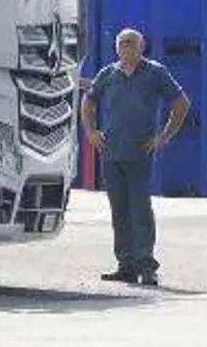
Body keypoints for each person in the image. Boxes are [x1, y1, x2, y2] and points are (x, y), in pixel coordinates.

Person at [81, 28, 191, 287]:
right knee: (119, 210)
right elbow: (89, 101)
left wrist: (163, 136)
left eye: (131, 43)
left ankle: (146, 264)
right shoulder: (108, 74)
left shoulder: (155, 73)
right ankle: (125, 264)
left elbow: (181, 103)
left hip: (140, 152)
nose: (126, 48)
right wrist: (91, 131)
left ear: (141, 47)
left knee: (140, 208)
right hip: (111, 152)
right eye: (122, 44)